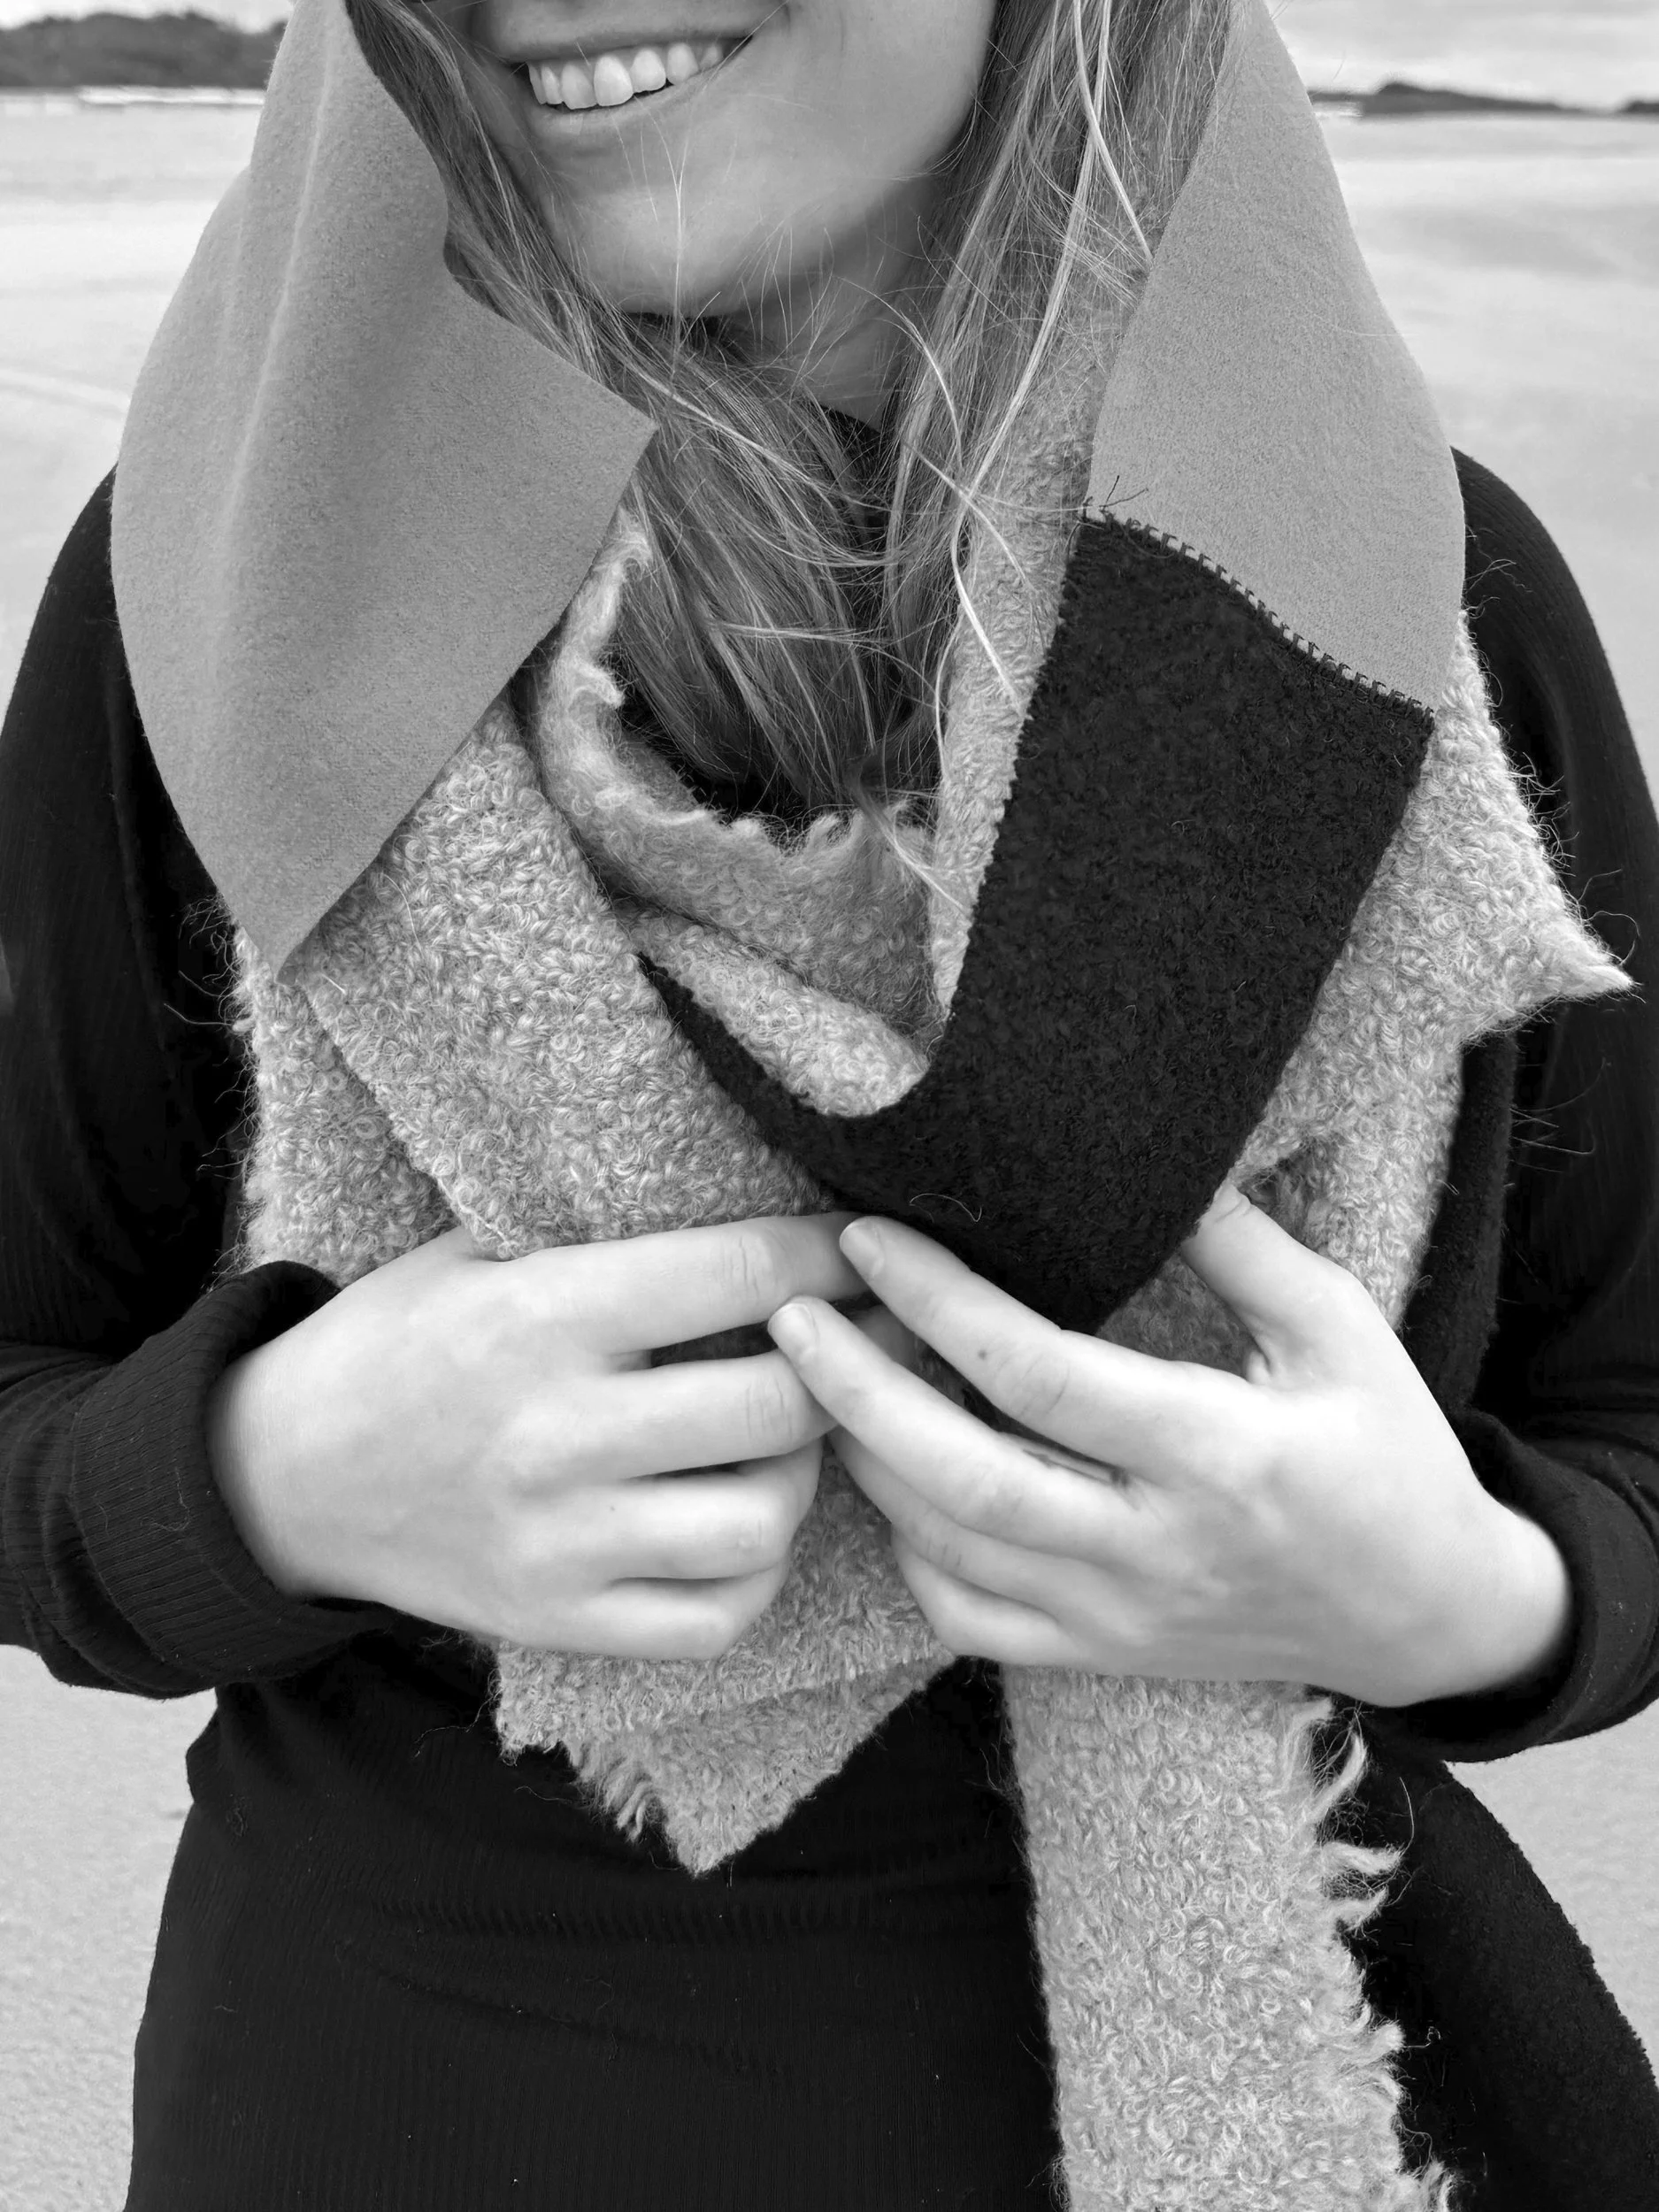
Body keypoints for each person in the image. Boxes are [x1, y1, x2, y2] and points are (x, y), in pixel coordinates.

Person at [3, 0, 1657, 2203]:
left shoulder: (1407, 613)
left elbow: (1634, 1417)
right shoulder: (214, 599)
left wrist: (1461, 1596)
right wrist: (266, 1474)